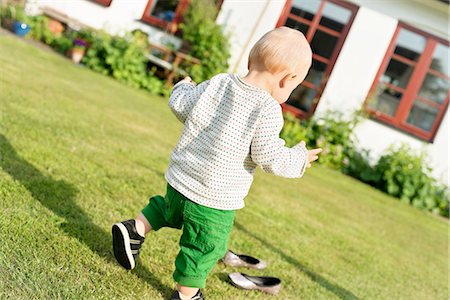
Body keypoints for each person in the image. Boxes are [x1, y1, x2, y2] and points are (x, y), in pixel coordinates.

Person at [112, 26, 322, 300]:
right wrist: (299, 159)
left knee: (168, 211)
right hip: (213, 197)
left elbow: (183, 107)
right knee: (205, 244)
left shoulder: (220, 81)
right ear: (288, 79)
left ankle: (134, 228)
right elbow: (269, 156)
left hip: (181, 179)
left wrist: (183, 87)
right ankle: (187, 295)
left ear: (250, 61)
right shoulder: (267, 109)